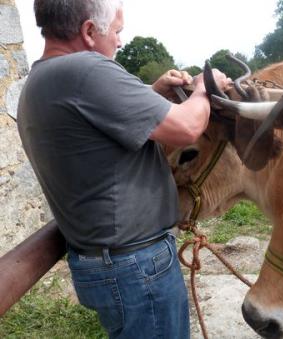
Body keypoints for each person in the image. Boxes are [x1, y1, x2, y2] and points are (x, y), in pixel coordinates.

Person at [17, 0, 231, 338]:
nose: (120, 41)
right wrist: (205, 89)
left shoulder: (43, 79)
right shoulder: (85, 70)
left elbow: (98, 119)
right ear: (89, 32)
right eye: (117, 31)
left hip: (109, 263)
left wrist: (153, 93)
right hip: (137, 266)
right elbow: (187, 128)